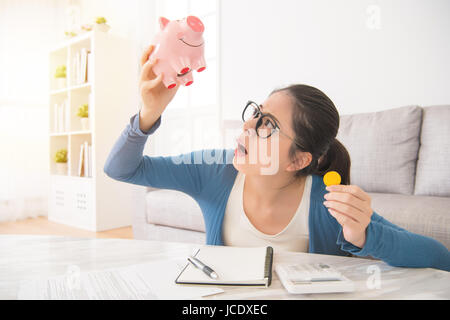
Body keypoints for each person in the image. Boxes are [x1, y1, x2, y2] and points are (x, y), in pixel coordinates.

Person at [104, 44, 450, 271]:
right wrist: (148, 114)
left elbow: (439, 259)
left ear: (298, 160)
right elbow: (121, 169)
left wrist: (363, 236)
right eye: (257, 111)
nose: (248, 123)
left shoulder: (326, 202)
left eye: (267, 124)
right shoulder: (213, 170)